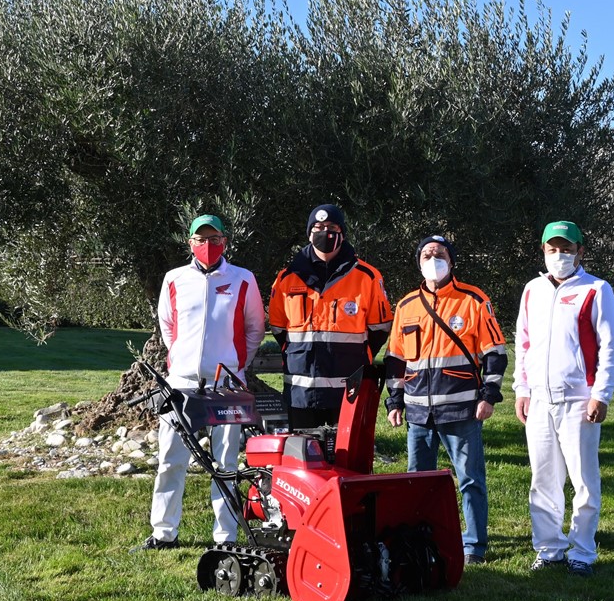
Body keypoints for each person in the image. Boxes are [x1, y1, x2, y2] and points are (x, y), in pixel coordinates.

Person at [134, 214, 265, 551]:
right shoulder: (174, 279)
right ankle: (164, 533)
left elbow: (255, 328)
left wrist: (237, 364)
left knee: (226, 464)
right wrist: (181, 357)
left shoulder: (243, 279)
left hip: (227, 386)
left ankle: (226, 536)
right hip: (180, 383)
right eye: (201, 239)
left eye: (215, 238)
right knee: (170, 459)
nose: (208, 246)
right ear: (190, 243)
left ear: (225, 241)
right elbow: (167, 324)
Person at [384, 235, 508, 565]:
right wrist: (394, 401)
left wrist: (489, 396)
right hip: (418, 414)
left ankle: (474, 546)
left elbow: (495, 354)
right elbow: (395, 358)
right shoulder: (406, 306)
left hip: (461, 409)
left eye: (439, 254)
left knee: (470, 481)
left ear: (451, 261)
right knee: (416, 483)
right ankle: (420, 543)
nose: (433, 259)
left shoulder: (474, 300)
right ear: (418, 261)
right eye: (427, 254)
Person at [513, 220, 614, 577]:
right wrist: (522, 389)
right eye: (552, 249)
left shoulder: (597, 289)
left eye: (566, 248)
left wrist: (600, 395)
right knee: (543, 480)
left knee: (583, 481)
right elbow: (524, 343)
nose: (559, 255)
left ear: (581, 252)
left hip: (579, 400)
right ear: (543, 251)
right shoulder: (532, 289)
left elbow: (611, 347)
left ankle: (582, 553)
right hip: (540, 402)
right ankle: (549, 550)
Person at [268, 204, 394, 430]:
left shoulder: (367, 277)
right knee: (305, 456)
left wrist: (361, 353)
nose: (324, 232)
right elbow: (278, 328)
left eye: (331, 227)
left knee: (347, 458)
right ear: (309, 233)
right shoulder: (287, 278)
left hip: (348, 387)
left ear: (342, 232)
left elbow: (381, 327)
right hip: (301, 389)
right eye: (318, 227)